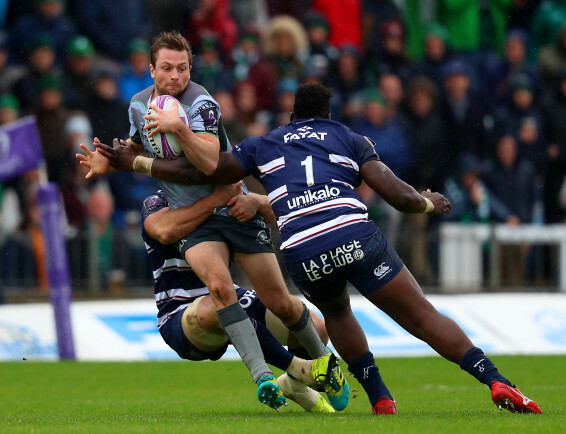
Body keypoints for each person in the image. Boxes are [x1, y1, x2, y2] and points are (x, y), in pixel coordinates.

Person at [93, 83, 543, 415]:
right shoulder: (347, 137)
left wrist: (135, 161)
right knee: (421, 316)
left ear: (292, 116)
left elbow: (204, 171)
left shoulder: (264, 143)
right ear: (328, 114)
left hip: (303, 252)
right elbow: (398, 196)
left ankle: (381, 399)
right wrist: (429, 202)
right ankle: (497, 382)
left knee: (340, 315)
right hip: (353, 234)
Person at [77, 32, 348, 411]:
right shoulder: (138, 105)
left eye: (183, 68)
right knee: (221, 287)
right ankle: (264, 377)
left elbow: (207, 165)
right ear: (151, 69)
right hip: (199, 221)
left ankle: (325, 366)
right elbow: (139, 144)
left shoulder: (201, 103)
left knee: (281, 303)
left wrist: (179, 127)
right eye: (167, 68)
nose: (175, 76)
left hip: (231, 205)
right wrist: (112, 159)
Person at [141, 183, 336, 413]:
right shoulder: (155, 202)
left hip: (229, 294)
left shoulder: (223, 189)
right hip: (180, 314)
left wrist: (257, 201)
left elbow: (273, 214)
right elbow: (165, 230)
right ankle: (296, 367)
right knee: (219, 304)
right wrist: (216, 200)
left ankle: (293, 385)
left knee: (317, 327)